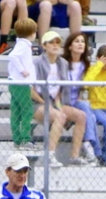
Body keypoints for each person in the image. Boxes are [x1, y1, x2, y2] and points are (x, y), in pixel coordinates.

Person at [32, 30, 90, 167]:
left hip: (54, 102)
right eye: (51, 42)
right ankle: (50, 155)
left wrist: (58, 105)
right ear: (44, 45)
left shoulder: (62, 63)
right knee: (60, 116)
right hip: (36, 102)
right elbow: (30, 90)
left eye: (57, 42)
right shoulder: (36, 63)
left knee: (81, 115)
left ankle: (74, 156)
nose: (55, 45)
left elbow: (60, 89)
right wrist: (45, 103)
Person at [63, 33, 101, 164]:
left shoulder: (86, 65)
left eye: (83, 42)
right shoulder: (63, 63)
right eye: (77, 41)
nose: (80, 44)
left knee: (89, 112)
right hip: (63, 102)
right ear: (70, 46)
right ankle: (93, 151)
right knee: (89, 113)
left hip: (78, 101)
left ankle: (88, 145)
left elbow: (86, 86)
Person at [7, 17, 38, 151]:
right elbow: (12, 56)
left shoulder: (22, 44)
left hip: (15, 82)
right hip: (21, 83)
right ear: (31, 33)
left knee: (16, 111)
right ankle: (25, 139)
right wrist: (22, 71)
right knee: (26, 111)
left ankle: (17, 139)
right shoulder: (23, 46)